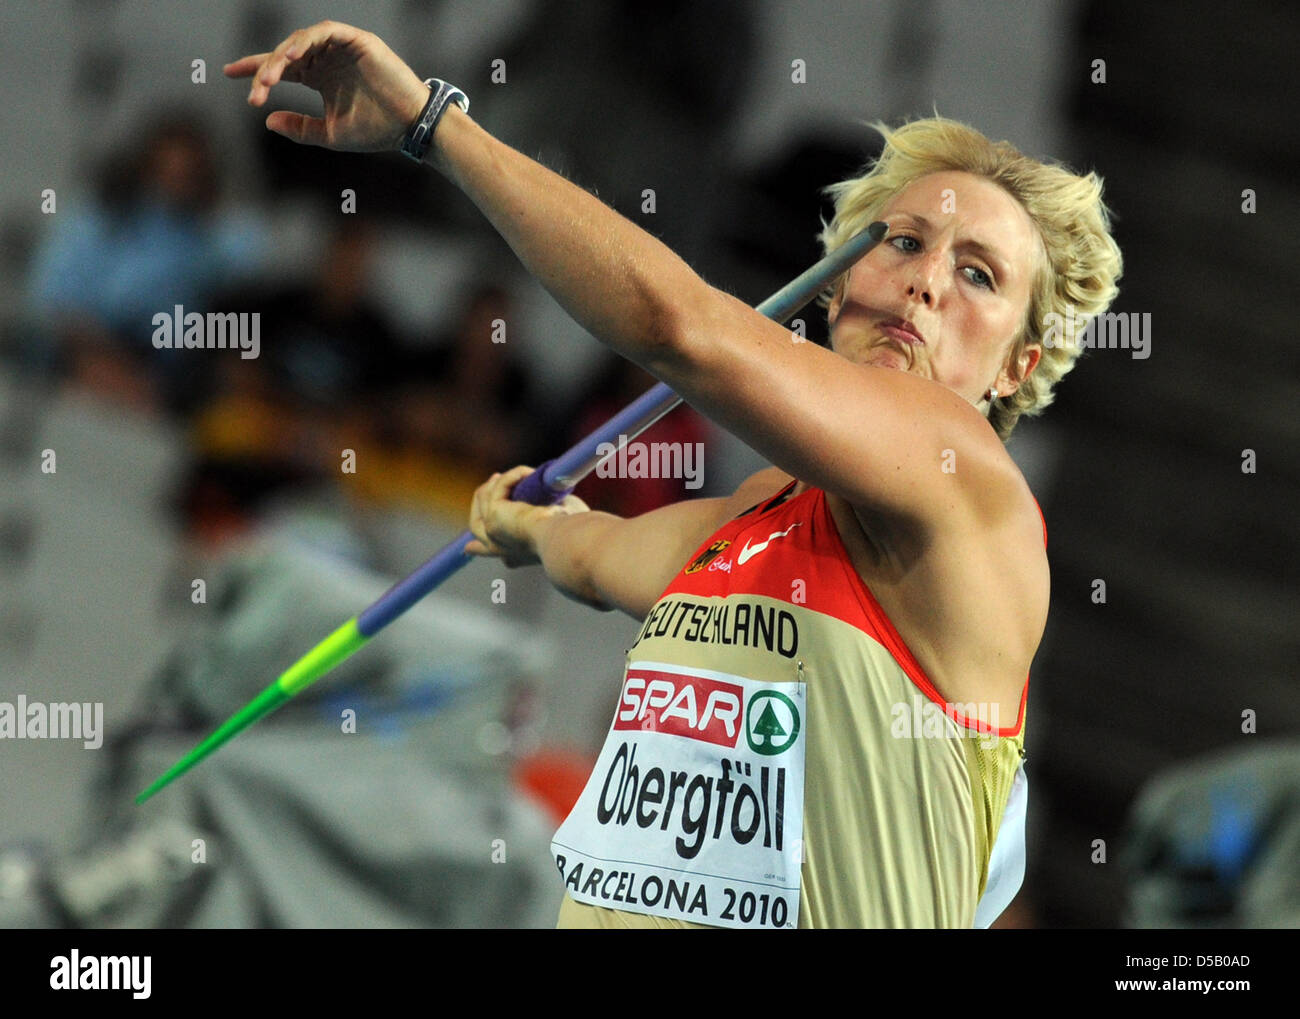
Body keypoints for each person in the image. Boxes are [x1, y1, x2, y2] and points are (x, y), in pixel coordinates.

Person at [225, 21, 1122, 928]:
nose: (927, 282)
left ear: (1016, 365)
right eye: (902, 243)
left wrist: (433, 126)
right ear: (837, 283)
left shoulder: (964, 479)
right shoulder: (745, 519)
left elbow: (678, 327)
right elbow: (597, 554)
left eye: (977, 275)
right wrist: (527, 525)